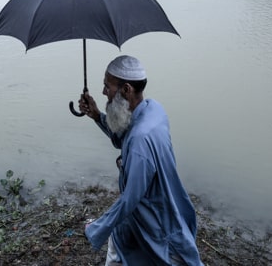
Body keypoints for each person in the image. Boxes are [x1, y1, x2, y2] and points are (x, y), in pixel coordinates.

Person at [78, 55, 204, 265]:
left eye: (107, 86)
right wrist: (97, 115)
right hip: (148, 211)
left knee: (167, 257)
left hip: (152, 217)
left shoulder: (140, 141)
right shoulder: (153, 109)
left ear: (126, 89)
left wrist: (96, 228)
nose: (103, 93)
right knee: (119, 248)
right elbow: (122, 137)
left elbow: (130, 199)